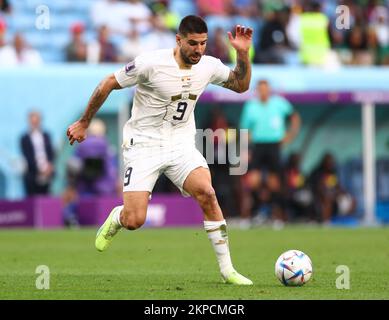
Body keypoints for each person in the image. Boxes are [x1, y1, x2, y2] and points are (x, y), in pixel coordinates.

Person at [67, 15, 253, 285]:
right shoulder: (150, 63)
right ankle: (117, 217)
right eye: (192, 43)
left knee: (208, 194)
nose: (198, 50)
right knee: (135, 219)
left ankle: (228, 271)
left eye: (203, 43)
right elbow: (108, 82)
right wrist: (84, 122)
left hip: (180, 144)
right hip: (143, 145)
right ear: (178, 40)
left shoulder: (208, 66)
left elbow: (241, 85)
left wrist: (243, 54)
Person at [239, 79, 300, 228]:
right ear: (257, 91)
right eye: (260, 89)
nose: (263, 92)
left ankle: (276, 216)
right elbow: (244, 128)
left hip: (274, 146)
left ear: (269, 90)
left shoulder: (279, 103)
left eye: (265, 89)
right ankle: (253, 214)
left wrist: (289, 136)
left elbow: (295, 118)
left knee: (275, 183)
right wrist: (246, 147)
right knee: (253, 181)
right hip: (258, 146)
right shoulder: (251, 106)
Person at [20, 111, 55, 196]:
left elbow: (50, 152)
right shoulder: (24, 138)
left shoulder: (46, 135)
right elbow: (28, 156)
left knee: (46, 197)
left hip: (47, 172)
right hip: (33, 173)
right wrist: (39, 169)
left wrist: (48, 166)